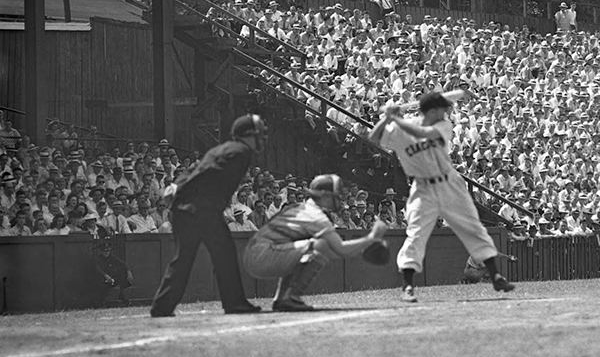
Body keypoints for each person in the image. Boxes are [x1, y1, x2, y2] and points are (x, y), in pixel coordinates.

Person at [370, 91, 515, 303]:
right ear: (433, 110)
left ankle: (496, 276)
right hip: (421, 187)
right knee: (416, 233)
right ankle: (408, 287)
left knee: (472, 226)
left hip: (449, 182)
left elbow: (423, 133)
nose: (446, 112)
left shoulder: (442, 126)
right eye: (442, 109)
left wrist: (394, 119)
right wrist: (386, 120)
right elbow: (374, 137)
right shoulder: (401, 126)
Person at [149, 114, 268, 317]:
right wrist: (183, 188)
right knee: (225, 255)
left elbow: (196, 169)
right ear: (249, 135)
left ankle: (162, 306)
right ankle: (234, 303)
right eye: (259, 135)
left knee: (184, 259)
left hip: (185, 209)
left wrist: (177, 187)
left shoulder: (221, 149)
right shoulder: (241, 152)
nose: (262, 139)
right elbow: (208, 173)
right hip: (202, 209)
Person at [243, 174, 388, 311]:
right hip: (262, 254)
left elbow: (335, 251)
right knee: (320, 246)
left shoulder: (303, 207)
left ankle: (282, 299)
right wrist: (371, 237)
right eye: (335, 193)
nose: (339, 197)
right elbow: (341, 249)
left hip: (257, 252)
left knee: (311, 249)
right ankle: (292, 296)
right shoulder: (316, 216)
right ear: (325, 195)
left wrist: (359, 247)